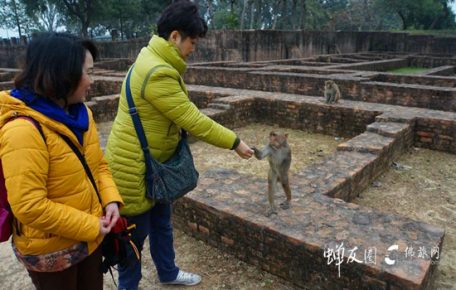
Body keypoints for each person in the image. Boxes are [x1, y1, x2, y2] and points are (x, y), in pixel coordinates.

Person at [104, 0, 254, 288]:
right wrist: (235, 142)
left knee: (162, 225)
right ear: (175, 36)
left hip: (154, 168)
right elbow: (192, 119)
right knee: (133, 243)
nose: (193, 49)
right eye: (192, 42)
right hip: (134, 172)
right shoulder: (157, 72)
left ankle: (168, 273)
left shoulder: (153, 59)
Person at [0, 33, 123, 290]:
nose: (91, 81)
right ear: (61, 75)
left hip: (89, 238)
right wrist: (92, 225)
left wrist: (110, 199)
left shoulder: (80, 114)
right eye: (87, 72)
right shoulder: (23, 130)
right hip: (51, 250)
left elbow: (97, 165)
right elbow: (29, 206)